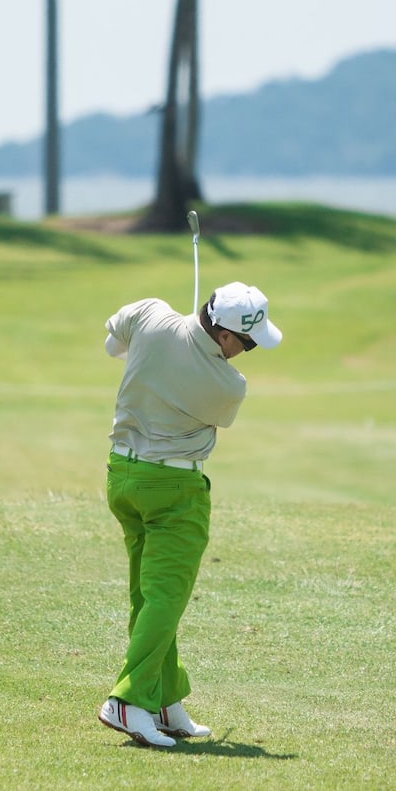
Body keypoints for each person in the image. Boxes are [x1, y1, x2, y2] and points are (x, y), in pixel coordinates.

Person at [95, 280, 283, 748]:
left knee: (151, 595)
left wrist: (164, 343)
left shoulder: (150, 314)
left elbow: (112, 346)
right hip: (174, 489)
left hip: (123, 477)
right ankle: (129, 702)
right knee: (166, 597)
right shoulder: (227, 385)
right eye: (248, 342)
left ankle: (164, 699)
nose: (248, 352)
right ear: (223, 335)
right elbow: (203, 394)